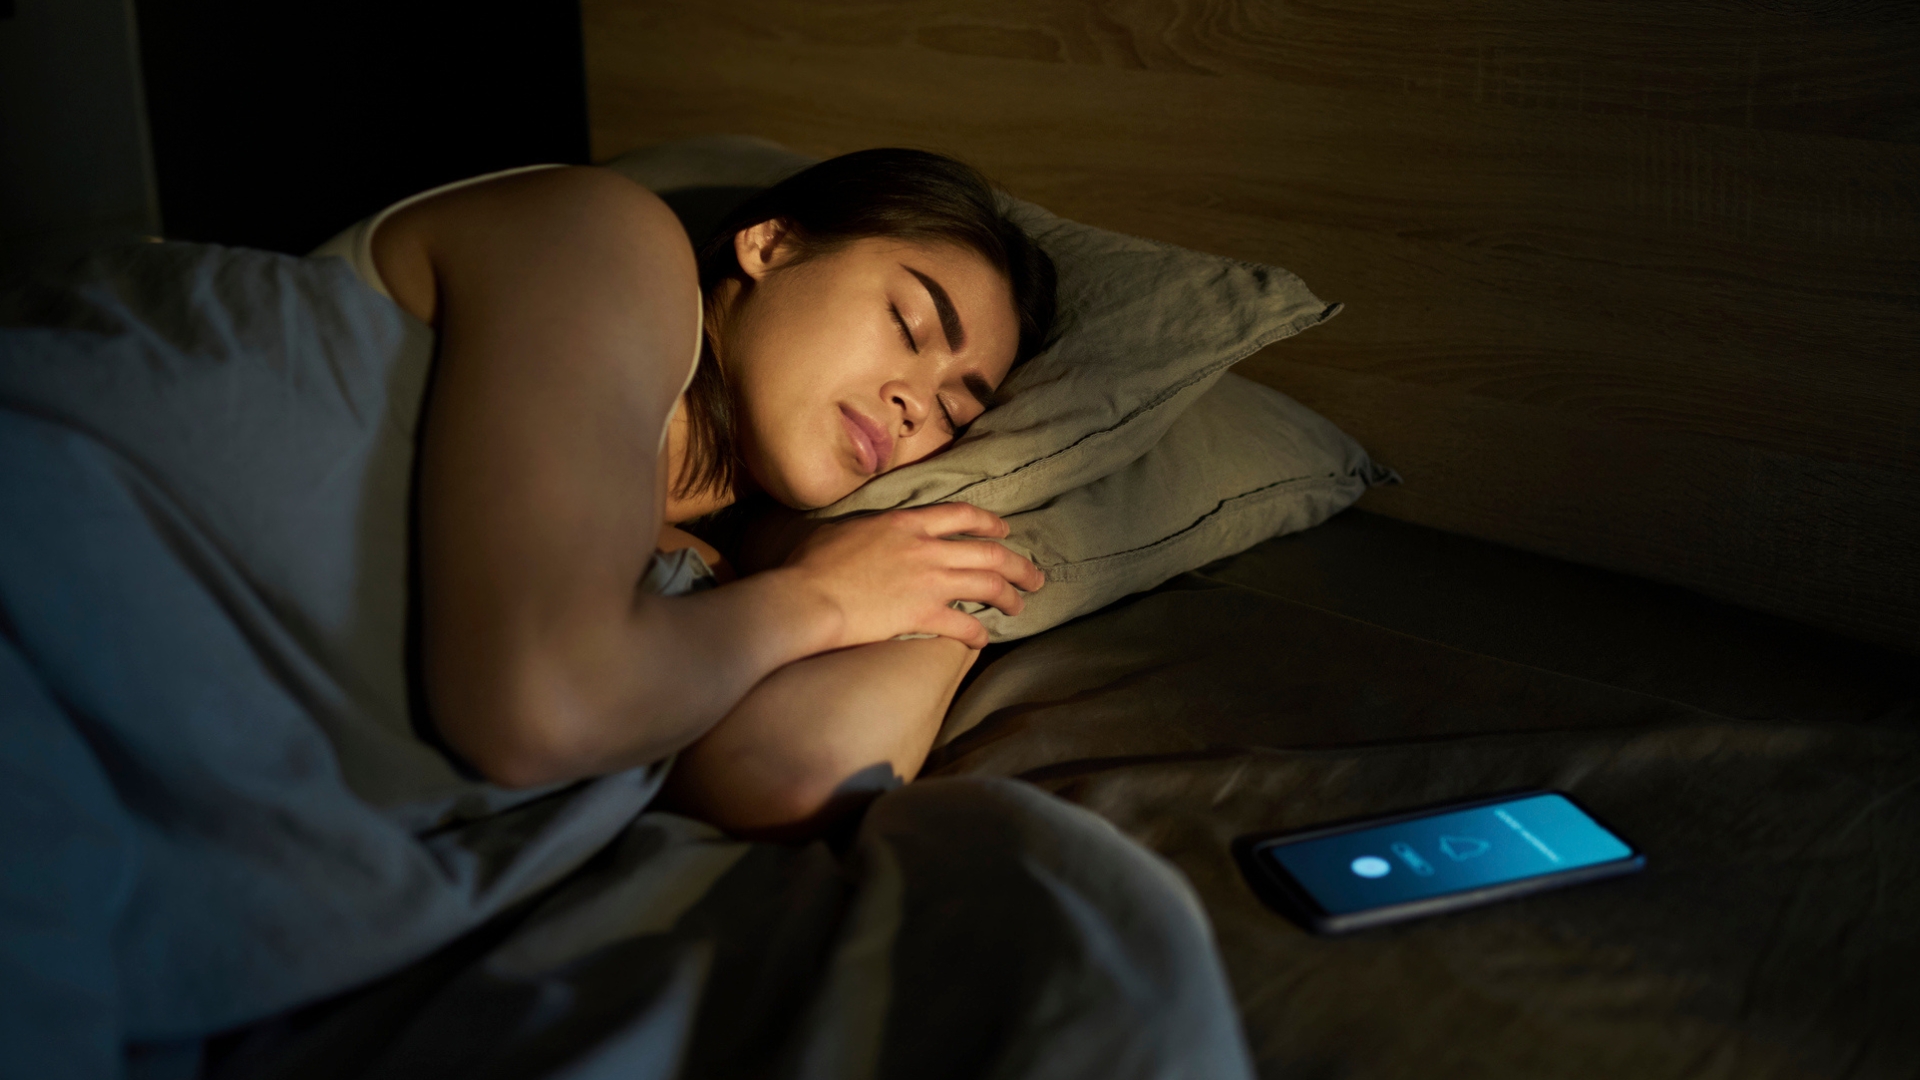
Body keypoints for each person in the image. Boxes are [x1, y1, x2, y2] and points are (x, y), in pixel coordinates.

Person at [363, 149, 1058, 835]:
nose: (914, 405)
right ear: (773, 243)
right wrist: (821, 598)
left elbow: (795, 775)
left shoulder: (701, 581)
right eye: (908, 325)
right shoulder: (604, 238)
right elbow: (535, 710)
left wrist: (951, 600)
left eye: (952, 414)